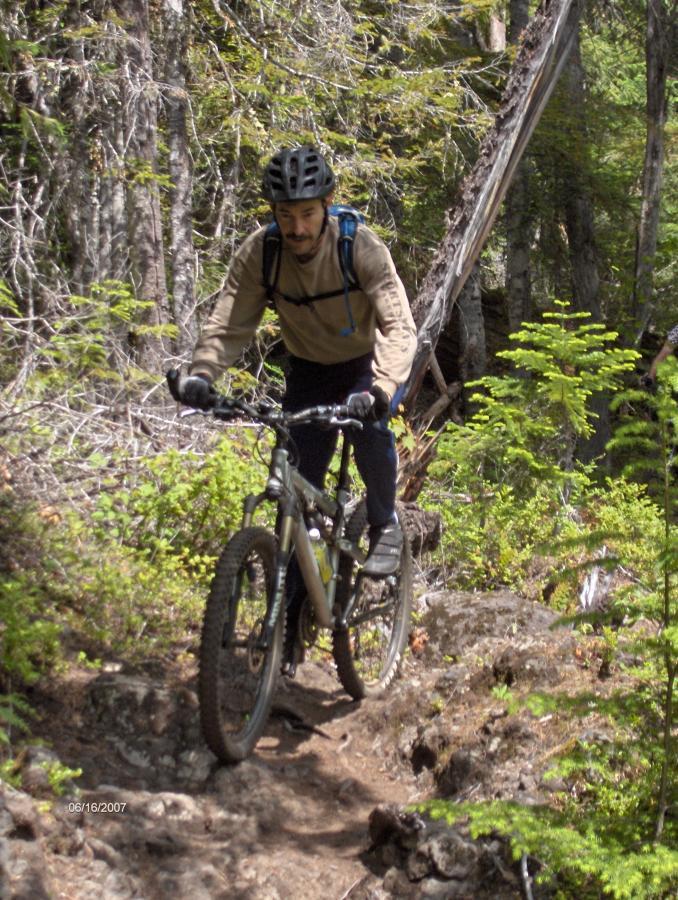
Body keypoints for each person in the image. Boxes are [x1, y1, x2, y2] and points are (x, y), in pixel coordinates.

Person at [176, 146, 417, 675]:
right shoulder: (262, 253)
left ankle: (384, 523)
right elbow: (228, 323)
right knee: (296, 503)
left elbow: (399, 326)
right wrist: (201, 375)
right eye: (286, 215)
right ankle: (289, 629)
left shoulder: (360, 247)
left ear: (328, 205)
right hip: (307, 371)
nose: (298, 227)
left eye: (307, 213)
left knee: (372, 429)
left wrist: (380, 387)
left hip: (363, 368)